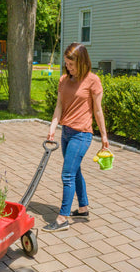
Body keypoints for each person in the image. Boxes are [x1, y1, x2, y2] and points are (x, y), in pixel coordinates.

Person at [43, 42, 109, 232]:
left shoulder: (93, 80)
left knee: (67, 174)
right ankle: (83, 208)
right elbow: (59, 107)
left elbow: (98, 110)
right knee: (75, 171)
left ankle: (62, 218)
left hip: (82, 135)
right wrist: (52, 128)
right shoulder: (64, 80)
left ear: (82, 62)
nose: (69, 68)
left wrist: (104, 137)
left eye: (72, 65)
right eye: (67, 64)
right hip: (66, 133)